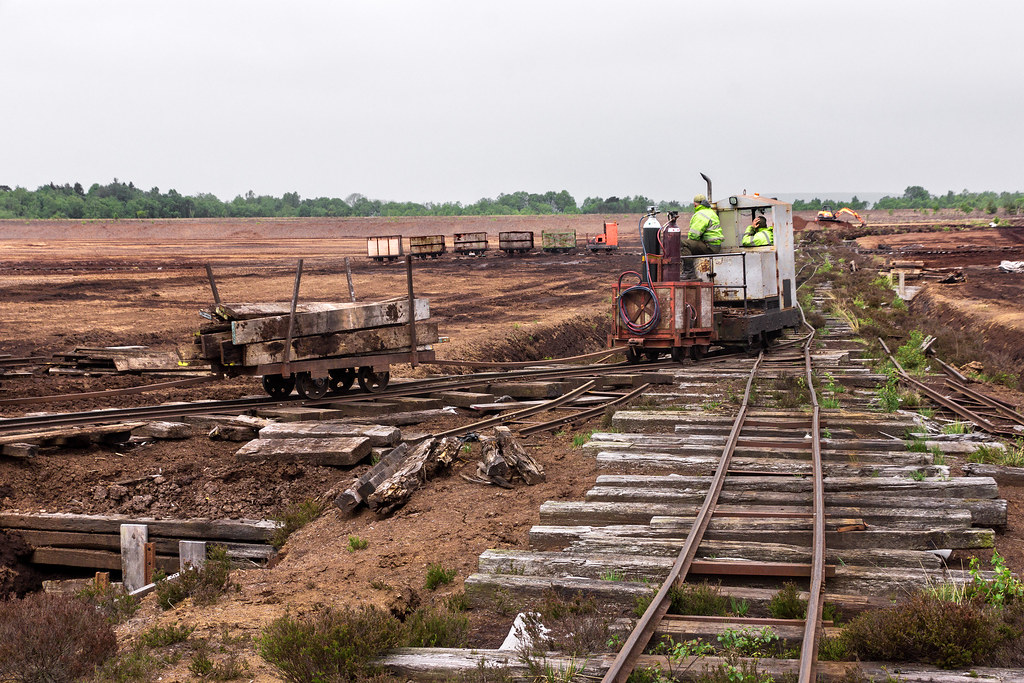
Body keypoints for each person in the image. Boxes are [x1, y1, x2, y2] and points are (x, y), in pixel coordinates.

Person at [681, 194, 721, 278]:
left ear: (695, 204)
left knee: (682, 244)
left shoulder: (700, 214)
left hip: (709, 247)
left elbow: (694, 235)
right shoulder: (711, 212)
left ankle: (689, 272)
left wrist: (688, 243)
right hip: (715, 246)